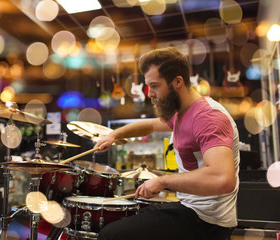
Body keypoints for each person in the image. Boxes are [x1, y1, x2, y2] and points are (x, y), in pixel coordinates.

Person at [95, 47, 239, 240]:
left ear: (177, 82)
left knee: (109, 235)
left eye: (154, 86)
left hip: (207, 221)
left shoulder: (208, 117)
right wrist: (114, 135)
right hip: (190, 208)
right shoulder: (183, 111)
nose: (150, 93)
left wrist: (162, 181)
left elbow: (223, 179)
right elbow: (151, 126)